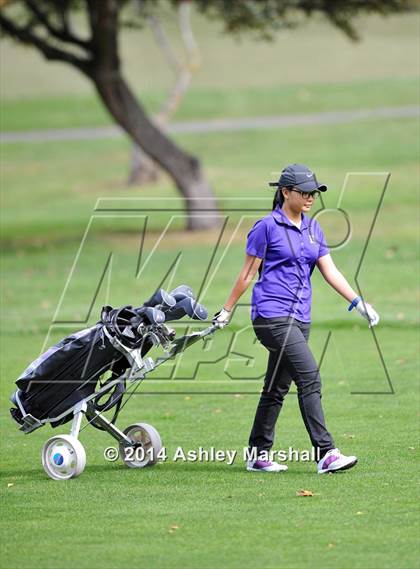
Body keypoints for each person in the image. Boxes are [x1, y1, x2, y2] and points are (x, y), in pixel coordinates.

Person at [212, 163, 379, 474]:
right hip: (271, 316)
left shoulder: (313, 228)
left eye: (314, 192)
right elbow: (248, 272)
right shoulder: (266, 227)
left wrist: (358, 302)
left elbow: (329, 270)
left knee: (276, 388)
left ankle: (257, 454)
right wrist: (226, 309)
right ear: (285, 192)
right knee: (310, 378)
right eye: (304, 192)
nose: (311, 197)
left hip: (300, 317)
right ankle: (326, 453)